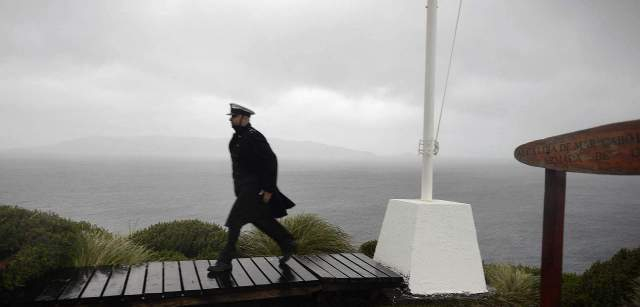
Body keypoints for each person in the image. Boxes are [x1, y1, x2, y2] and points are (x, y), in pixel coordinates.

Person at [208, 103, 297, 273]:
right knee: (260, 219)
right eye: (231, 116)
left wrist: (269, 189)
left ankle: (225, 260)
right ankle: (287, 242)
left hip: (254, 188)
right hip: (243, 189)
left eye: (233, 117)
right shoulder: (237, 138)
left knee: (234, 221)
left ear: (244, 118)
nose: (230, 119)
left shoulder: (254, 136)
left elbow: (271, 161)